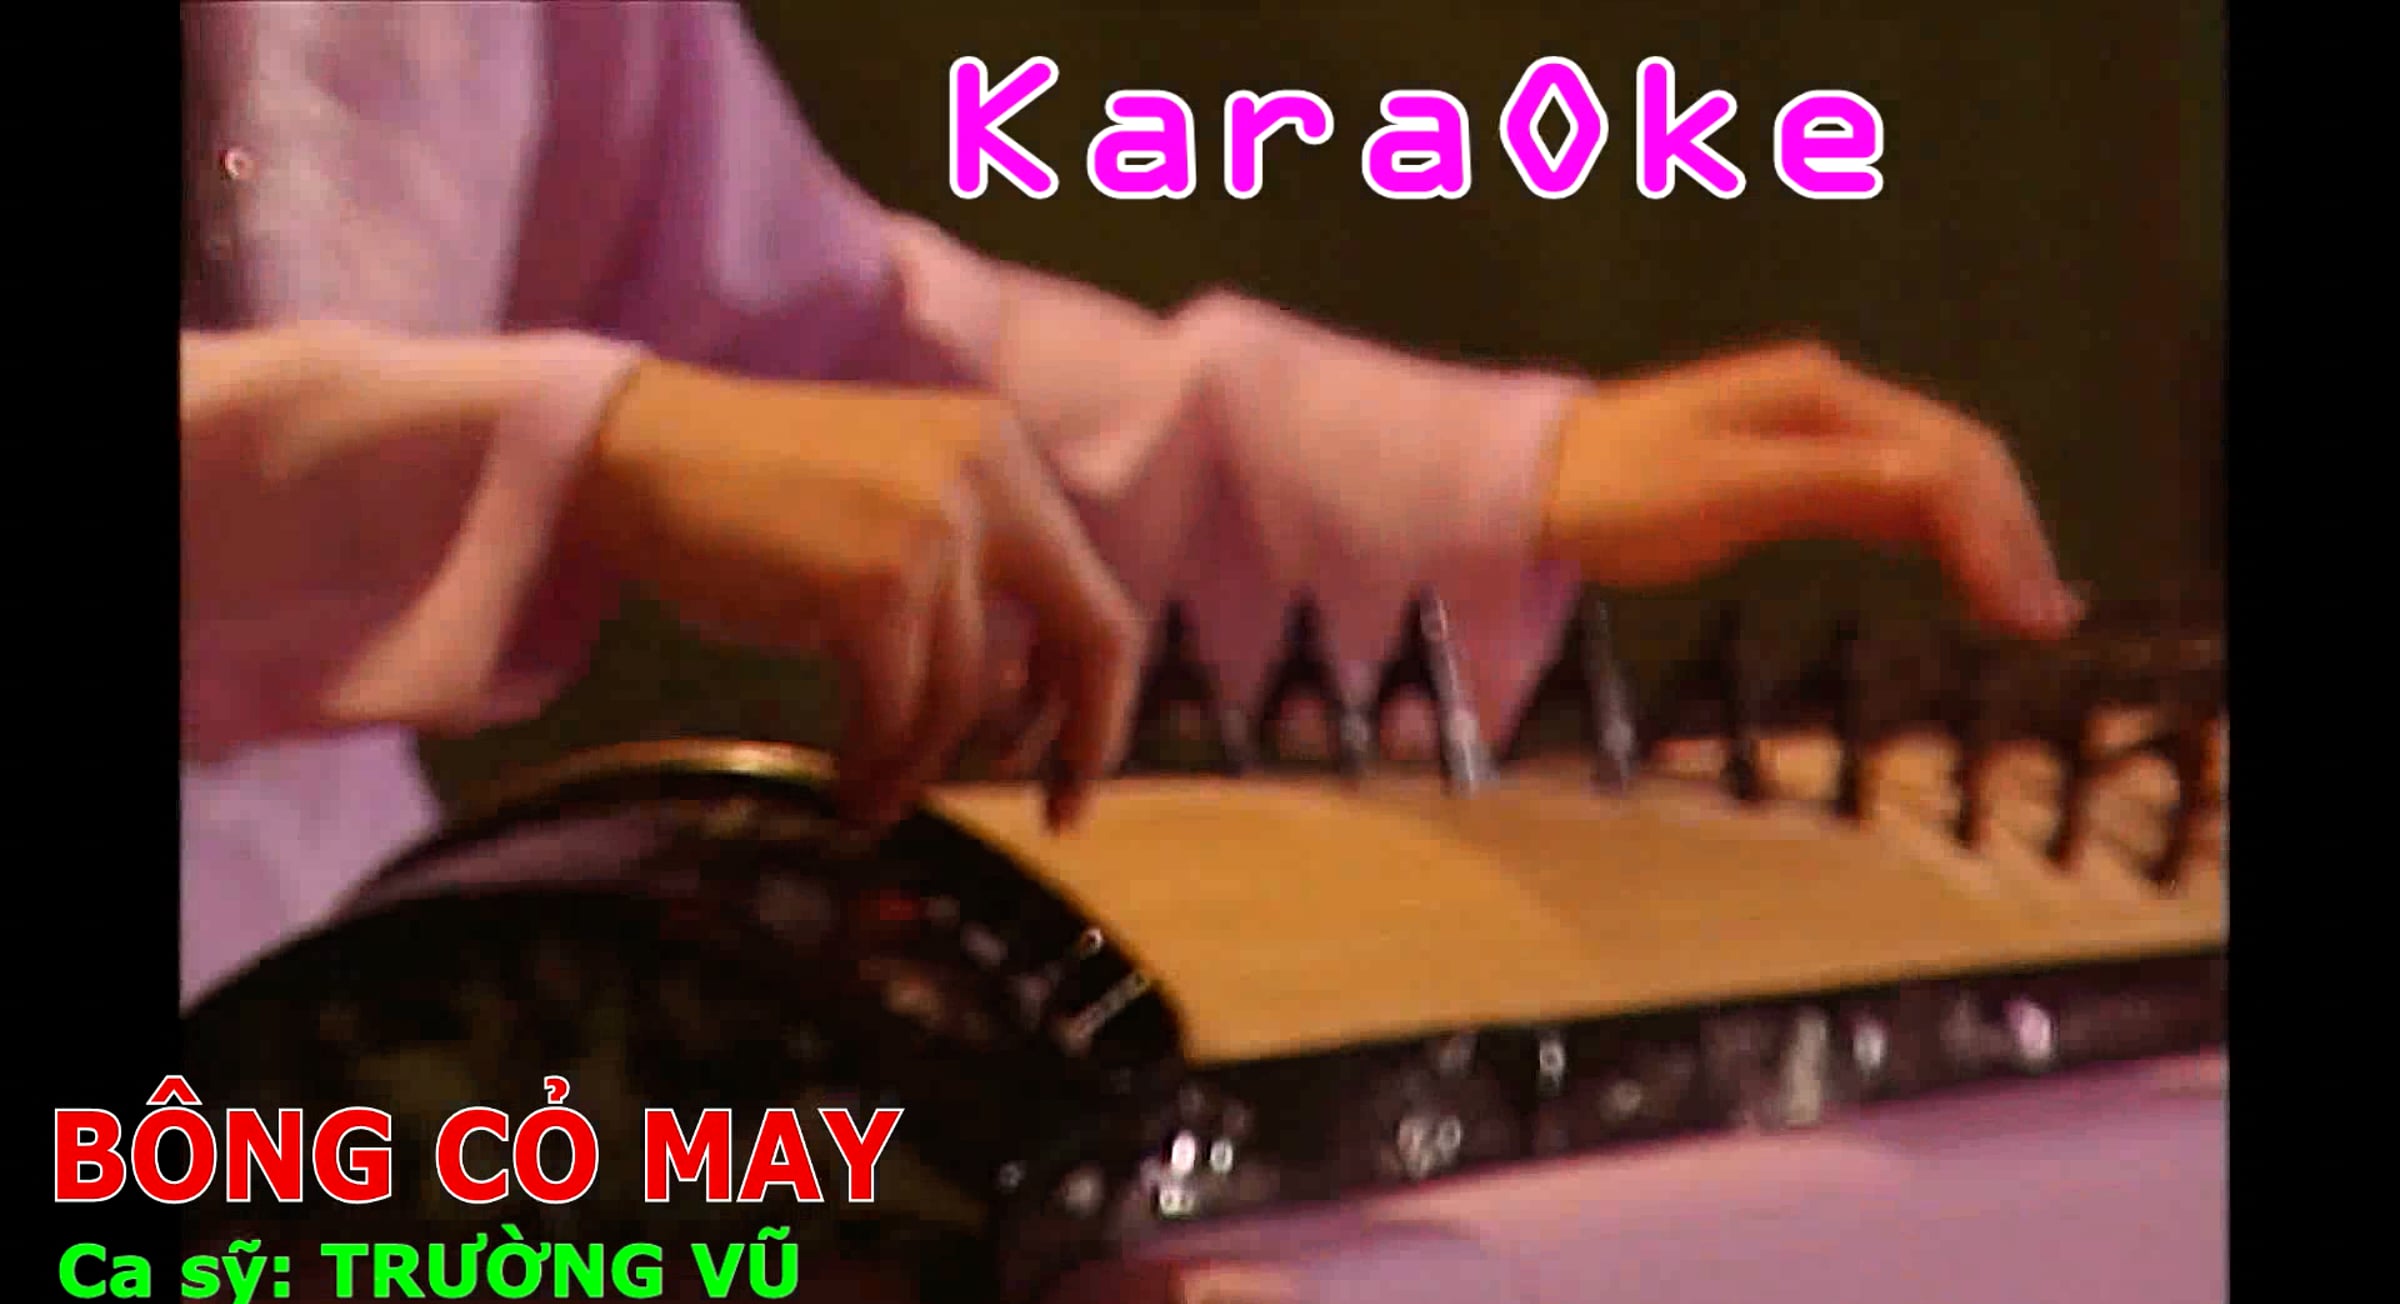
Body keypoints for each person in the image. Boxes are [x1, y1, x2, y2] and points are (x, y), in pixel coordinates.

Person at [181, 2, 2080, 1008]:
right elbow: (668, 415)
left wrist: (1494, 475)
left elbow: (803, 331)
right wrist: (580, 450)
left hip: (332, 1091)